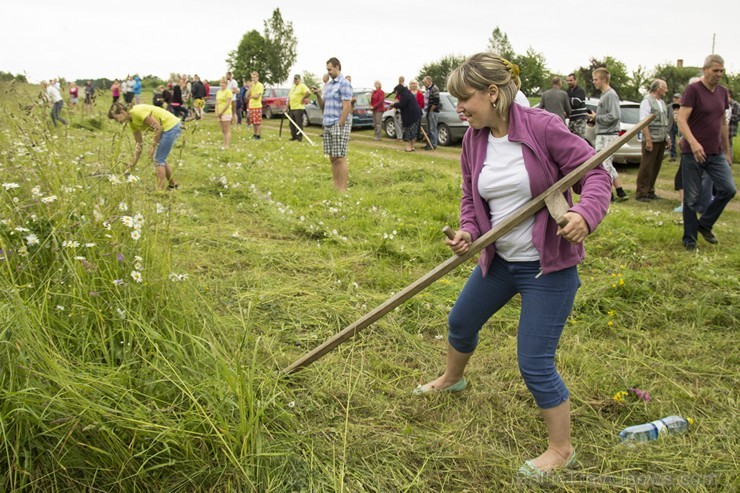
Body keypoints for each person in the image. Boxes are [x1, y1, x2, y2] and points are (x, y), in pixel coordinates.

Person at [414, 52, 611, 477]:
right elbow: (471, 197)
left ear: (492, 92)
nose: (459, 108)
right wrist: (469, 231)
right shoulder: (474, 139)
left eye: (464, 99)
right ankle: (453, 378)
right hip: (500, 260)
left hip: (548, 268)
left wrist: (584, 215)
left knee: (534, 359)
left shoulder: (543, 127)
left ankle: (561, 449)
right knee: (460, 321)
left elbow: (596, 175)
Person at [676, 54, 737, 250]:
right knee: (692, 198)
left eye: (721, 71)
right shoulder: (693, 90)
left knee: (728, 189)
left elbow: (722, 123)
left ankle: (705, 224)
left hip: (715, 152)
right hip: (692, 153)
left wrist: (727, 152)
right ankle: (690, 240)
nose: (718, 75)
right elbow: (682, 120)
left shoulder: (722, 92)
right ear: (705, 70)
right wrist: (693, 143)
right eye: (715, 71)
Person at [107, 102, 181, 190]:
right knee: (161, 158)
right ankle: (173, 185)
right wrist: (132, 164)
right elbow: (139, 144)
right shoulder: (132, 123)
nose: (117, 122)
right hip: (166, 127)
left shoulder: (137, 112)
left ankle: (159, 191)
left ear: (122, 112)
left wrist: (152, 146)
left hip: (171, 126)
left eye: (116, 118)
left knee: (159, 160)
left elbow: (158, 127)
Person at [587, 67, 628, 201]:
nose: (594, 82)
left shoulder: (610, 94)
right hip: (603, 133)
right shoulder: (604, 95)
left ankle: (608, 194)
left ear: (604, 80)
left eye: (596, 79)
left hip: (608, 134)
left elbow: (614, 115)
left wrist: (597, 118)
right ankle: (621, 192)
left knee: (604, 164)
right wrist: (594, 121)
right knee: (607, 163)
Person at [312, 57, 353, 192]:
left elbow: (347, 107)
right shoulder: (328, 86)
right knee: (332, 157)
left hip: (338, 124)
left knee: (340, 157)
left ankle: (342, 189)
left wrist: (339, 124)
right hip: (327, 123)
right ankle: (336, 186)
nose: (328, 72)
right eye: (327, 70)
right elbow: (323, 106)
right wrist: (318, 95)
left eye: (329, 69)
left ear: (337, 67)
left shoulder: (344, 84)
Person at [635, 79, 670, 202]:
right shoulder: (647, 101)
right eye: (664, 87)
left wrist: (668, 137)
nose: (666, 90)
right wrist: (648, 139)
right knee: (646, 166)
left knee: (655, 166)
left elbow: (665, 121)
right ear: (658, 88)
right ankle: (641, 192)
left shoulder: (662, 103)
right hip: (652, 139)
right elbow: (643, 122)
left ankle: (650, 190)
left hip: (661, 139)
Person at [389, 84, 422, 152]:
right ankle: (412, 147)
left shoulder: (404, 95)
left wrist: (393, 105)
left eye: (396, 92)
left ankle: (408, 147)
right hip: (417, 114)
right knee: (414, 132)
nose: (396, 93)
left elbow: (402, 105)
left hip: (411, 116)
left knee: (409, 131)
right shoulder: (408, 93)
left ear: (399, 90)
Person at [288, 74, 311, 141]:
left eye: (296, 79)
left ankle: (299, 137)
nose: (295, 80)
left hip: (299, 108)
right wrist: (286, 107)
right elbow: (289, 97)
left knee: (298, 124)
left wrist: (303, 98)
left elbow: (309, 92)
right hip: (292, 108)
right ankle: (294, 136)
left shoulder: (302, 86)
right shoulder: (293, 87)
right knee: (291, 124)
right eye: (294, 79)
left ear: (299, 80)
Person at [565, 73, 588, 139]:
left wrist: (566, 99)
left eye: (571, 80)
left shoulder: (580, 91)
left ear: (575, 80)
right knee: (571, 139)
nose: (569, 82)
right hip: (571, 118)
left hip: (579, 119)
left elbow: (576, 103)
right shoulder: (568, 91)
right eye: (567, 81)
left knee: (579, 139)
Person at [423, 75, 441, 150]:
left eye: (425, 82)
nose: (424, 84)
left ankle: (433, 144)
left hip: (433, 112)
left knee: (433, 128)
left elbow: (436, 101)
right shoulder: (428, 89)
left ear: (429, 81)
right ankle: (428, 144)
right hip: (428, 111)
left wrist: (431, 110)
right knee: (428, 129)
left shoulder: (434, 88)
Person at [215, 77, 233, 150]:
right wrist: (216, 112)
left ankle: (227, 145)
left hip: (226, 112)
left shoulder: (228, 91)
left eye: (223, 83)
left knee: (227, 129)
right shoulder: (218, 92)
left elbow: (227, 103)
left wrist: (221, 112)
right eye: (221, 82)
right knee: (223, 130)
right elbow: (216, 103)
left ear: (226, 84)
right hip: (219, 112)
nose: (222, 84)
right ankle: (224, 144)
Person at [247, 71, 264, 140]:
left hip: (257, 105)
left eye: (254, 77)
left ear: (258, 77)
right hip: (251, 105)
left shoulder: (260, 85)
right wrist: (250, 87)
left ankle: (258, 135)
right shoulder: (252, 85)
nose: (253, 79)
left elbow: (257, 96)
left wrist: (251, 96)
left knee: (258, 122)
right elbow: (247, 95)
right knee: (253, 122)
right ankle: (254, 134)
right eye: (252, 78)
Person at [668, 93, 681, 161]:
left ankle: (683, 154)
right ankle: (673, 156)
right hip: (672, 125)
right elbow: (667, 115)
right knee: (672, 141)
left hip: (680, 125)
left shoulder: (683, 105)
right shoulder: (669, 106)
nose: (675, 99)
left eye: (677, 98)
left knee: (681, 140)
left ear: (680, 99)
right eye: (674, 98)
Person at [728, 90, 740, 161]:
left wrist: (728, 117)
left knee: (729, 146)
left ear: (730, 95)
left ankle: (729, 162)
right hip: (720, 129)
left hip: (730, 129)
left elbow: (738, 116)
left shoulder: (736, 104)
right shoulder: (722, 103)